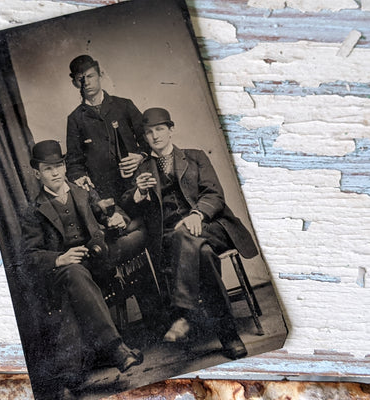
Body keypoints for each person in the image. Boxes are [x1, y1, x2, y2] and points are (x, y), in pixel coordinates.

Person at [122, 108, 258, 360]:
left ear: (171, 130)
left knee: (192, 237)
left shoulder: (195, 157)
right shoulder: (143, 169)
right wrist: (138, 193)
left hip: (210, 226)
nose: (155, 136)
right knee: (202, 253)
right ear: (145, 137)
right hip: (173, 239)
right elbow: (128, 208)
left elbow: (214, 193)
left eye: (160, 129)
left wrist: (196, 215)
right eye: (149, 132)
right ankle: (229, 336)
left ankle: (183, 313)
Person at [20, 140, 144, 386]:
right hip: (64, 272)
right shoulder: (33, 211)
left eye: (59, 165)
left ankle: (70, 371)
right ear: (37, 173)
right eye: (48, 169)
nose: (55, 172)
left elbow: (108, 216)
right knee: (74, 274)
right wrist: (59, 258)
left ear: (65, 167)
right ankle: (116, 349)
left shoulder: (83, 193)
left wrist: (116, 219)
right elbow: (28, 256)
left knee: (75, 287)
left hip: (97, 264)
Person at [66, 54, 149, 200]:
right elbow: (74, 163)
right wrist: (80, 177)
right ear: (75, 83)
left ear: (100, 75)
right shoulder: (75, 119)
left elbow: (148, 138)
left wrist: (140, 157)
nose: (87, 83)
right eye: (81, 79)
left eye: (90, 76)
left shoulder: (124, 106)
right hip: (105, 191)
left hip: (137, 182)